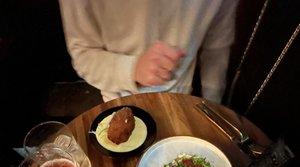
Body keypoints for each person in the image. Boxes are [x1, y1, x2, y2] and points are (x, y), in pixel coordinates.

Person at [58, 0, 238, 103]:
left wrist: (213, 106)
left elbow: (217, 48)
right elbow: (82, 53)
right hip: (117, 95)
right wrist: (132, 69)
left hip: (182, 97)